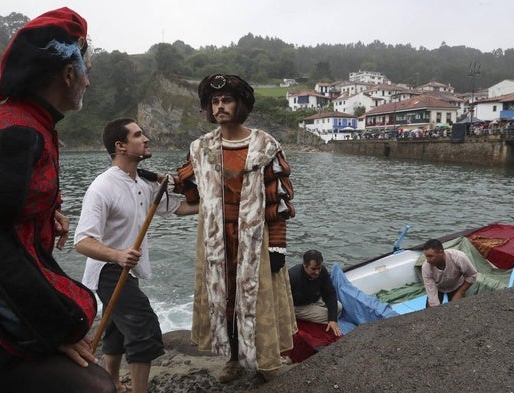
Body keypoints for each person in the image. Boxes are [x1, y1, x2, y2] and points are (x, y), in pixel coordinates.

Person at [0, 7, 116, 393]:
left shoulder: (28, 122)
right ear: (69, 74)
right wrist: (52, 330)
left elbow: (3, 204)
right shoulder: (18, 133)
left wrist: (48, 213)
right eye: (86, 68)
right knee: (96, 388)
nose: (88, 80)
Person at [174, 73, 297, 383]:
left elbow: (277, 200)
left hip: (256, 239)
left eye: (226, 100)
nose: (220, 106)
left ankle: (268, 361)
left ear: (241, 104)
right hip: (216, 241)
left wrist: (278, 245)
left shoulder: (265, 145)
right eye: (214, 101)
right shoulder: (200, 148)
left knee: (259, 301)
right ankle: (233, 359)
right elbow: (193, 195)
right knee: (224, 301)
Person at [74, 118, 199, 393]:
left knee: (117, 330)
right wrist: (117, 255)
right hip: (107, 271)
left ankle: (114, 383)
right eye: (138, 135)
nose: (146, 139)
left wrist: (218, 202)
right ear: (120, 146)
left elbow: (178, 209)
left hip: (127, 269)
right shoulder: (102, 187)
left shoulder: (144, 182)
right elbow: (82, 241)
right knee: (143, 328)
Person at [289, 250, 343, 337]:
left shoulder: (322, 272)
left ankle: (329, 321)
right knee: (327, 317)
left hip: (313, 299)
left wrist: (333, 320)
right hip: (297, 306)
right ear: (304, 265)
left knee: (339, 307)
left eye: (319, 268)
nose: (317, 272)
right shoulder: (293, 276)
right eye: (313, 269)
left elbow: (330, 293)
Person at [422, 239, 478, 307]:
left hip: (456, 285)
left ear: (441, 253)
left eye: (430, 256)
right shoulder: (426, 267)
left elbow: (472, 275)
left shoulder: (459, 257)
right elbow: (431, 290)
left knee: (457, 308)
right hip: (438, 287)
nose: (427, 260)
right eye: (426, 256)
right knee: (431, 310)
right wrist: (435, 308)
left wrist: (461, 292)